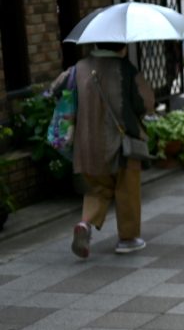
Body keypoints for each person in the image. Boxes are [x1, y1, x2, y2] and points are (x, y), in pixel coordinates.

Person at [52, 42, 154, 259]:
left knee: (98, 188)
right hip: (122, 143)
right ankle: (128, 239)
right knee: (127, 189)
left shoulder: (78, 67)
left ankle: (85, 224)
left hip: (87, 146)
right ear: (122, 47)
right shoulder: (126, 69)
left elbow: (55, 88)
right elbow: (145, 103)